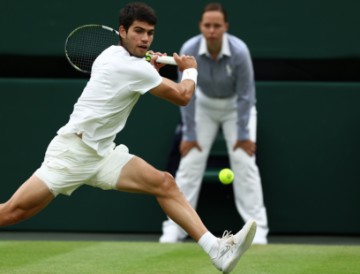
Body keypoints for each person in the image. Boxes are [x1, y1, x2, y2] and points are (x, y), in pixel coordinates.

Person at [0, 2, 256, 273]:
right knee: (13, 212)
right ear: (122, 31)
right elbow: (183, 96)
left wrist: (152, 71)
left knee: (164, 183)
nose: (145, 39)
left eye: (150, 33)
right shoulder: (133, 68)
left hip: (102, 154)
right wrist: (190, 69)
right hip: (71, 153)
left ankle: (217, 250)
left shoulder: (112, 55)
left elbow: (131, 83)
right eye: (138, 31)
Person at [160, 2, 268, 245]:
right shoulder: (189, 49)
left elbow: (246, 95)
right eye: (207, 25)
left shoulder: (239, 51)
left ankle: (258, 231)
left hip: (236, 108)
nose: (211, 30)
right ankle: (174, 229)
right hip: (202, 106)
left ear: (225, 27)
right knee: (190, 163)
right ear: (201, 26)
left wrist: (242, 135)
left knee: (244, 162)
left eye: (216, 25)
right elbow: (184, 92)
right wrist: (189, 133)